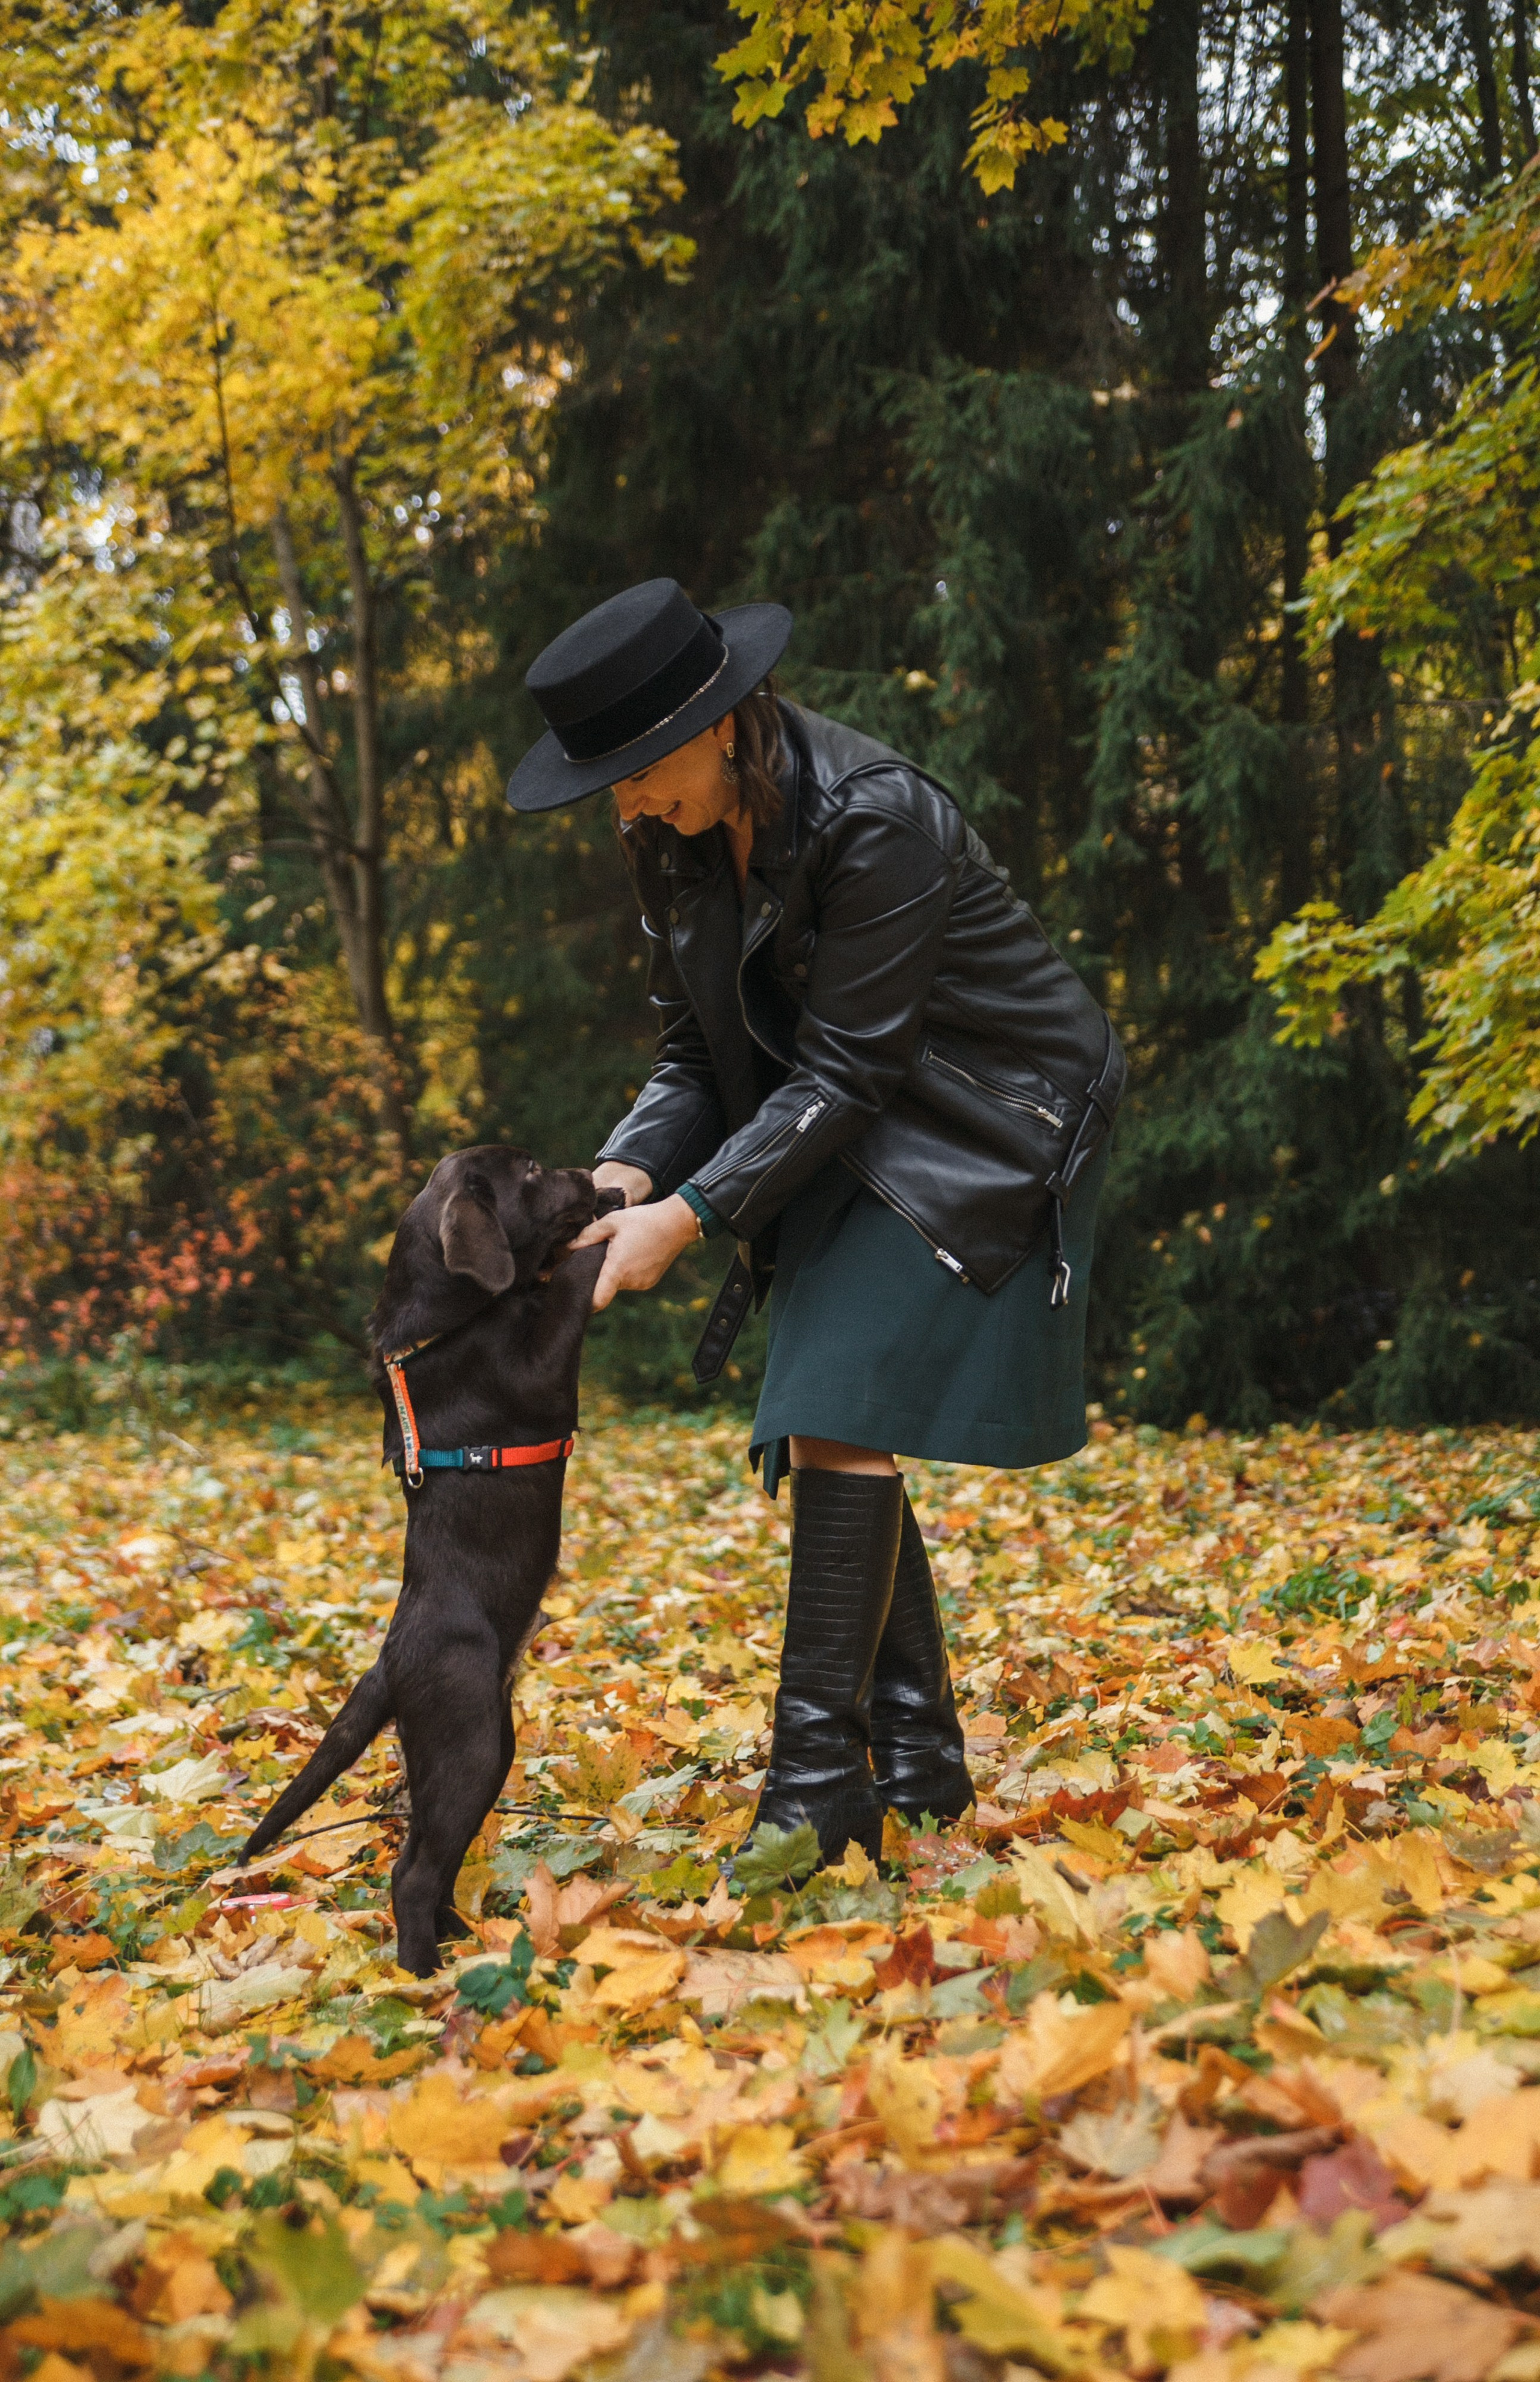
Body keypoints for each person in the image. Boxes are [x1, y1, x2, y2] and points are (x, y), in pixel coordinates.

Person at [507, 579, 1123, 1865]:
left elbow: (850, 1070)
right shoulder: (669, 840)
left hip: (986, 1114)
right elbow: (694, 1050)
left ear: (722, 723)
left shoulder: (873, 816)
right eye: (603, 782)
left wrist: (691, 1215)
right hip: (845, 1107)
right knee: (826, 1412)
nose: (622, 802)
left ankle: (811, 1797)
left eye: (634, 771)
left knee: (834, 1401)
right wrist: (622, 1177)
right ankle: (915, 1764)